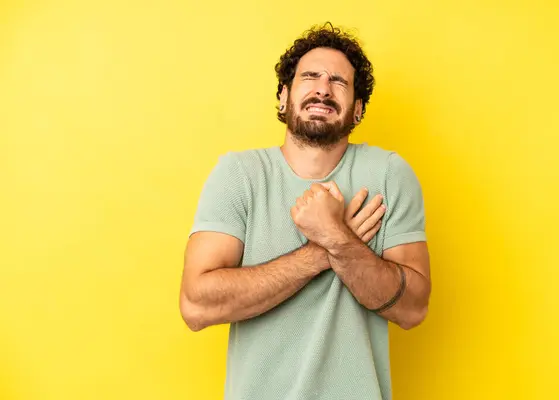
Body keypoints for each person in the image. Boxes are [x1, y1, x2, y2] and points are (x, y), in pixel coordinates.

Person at [179, 22, 431, 400]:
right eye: (309, 76)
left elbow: (413, 310)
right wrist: (323, 250)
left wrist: (336, 237)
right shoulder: (239, 176)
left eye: (339, 82)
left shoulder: (389, 175)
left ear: (358, 109)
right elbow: (196, 305)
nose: (322, 88)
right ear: (283, 97)